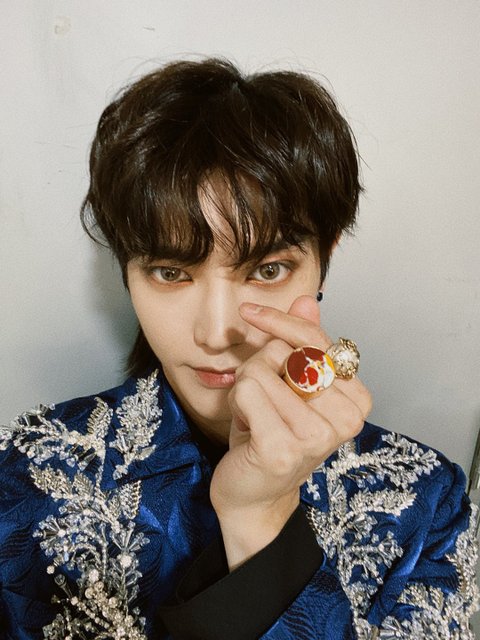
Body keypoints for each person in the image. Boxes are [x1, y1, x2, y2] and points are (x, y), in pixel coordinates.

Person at [0, 58, 478, 640]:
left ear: (324, 257)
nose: (218, 332)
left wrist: (262, 522)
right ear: (127, 271)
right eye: (171, 272)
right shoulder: (24, 473)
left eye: (267, 269)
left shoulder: (425, 502)